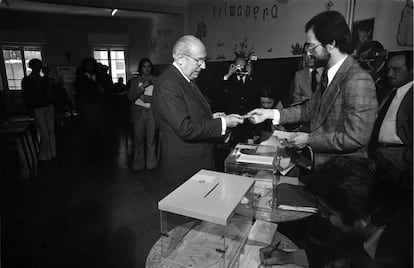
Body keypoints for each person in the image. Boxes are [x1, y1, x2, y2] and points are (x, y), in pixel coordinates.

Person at [248, 11, 377, 167]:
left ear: (332, 44)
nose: (308, 52)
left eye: (312, 46)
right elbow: (309, 110)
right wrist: (269, 113)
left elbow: (356, 138)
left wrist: (309, 139)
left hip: (345, 171)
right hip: (325, 167)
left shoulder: (357, 79)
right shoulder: (328, 75)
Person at [260, 157, 412, 268]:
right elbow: (337, 250)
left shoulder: (398, 256)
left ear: (361, 219)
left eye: (328, 212)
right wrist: (289, 256)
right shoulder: (368, 229)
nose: (323, 216)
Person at [153, 35, 243, 185]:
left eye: (204, 60)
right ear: (180, 58)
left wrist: (212, 117)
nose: (203, 66)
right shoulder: (169, 84)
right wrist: (222, 123)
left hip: (197, 159)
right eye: (199, 60)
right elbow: (185, 128)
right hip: (185, 166)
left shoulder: (185, 79)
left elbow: (187, 113)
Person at [369, 51, 412, 198]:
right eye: (388, 69)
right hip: (379, 156)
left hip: (400, 158)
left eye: (396, 69)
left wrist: (406, 160)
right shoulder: (390, 92)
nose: (390, 73)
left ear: (411, 70)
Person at [21, 59, 56, 161]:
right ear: (31, 67)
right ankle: (44, 156)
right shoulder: (27, 80)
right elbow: (26, 96)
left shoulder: (45, 79)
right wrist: (29, 109)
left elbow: (50, 91)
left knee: (51, 130)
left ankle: (53, 153)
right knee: (44, 132)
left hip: (48, 106)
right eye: (36, 66)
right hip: (37, 107)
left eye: (39, 66)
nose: (38, 68)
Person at [127, 58, 158, 171]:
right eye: (144, 66)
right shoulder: (135, 80)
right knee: (138, 140)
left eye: (149, 66)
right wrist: (142, 87)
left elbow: (159, 98)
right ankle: (138, 165)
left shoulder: (155, 80)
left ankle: (151, 165)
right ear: (140, 68)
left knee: (151, 141)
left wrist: (146, 98)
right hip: (138, 113)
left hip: (151, 112)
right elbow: (131, 97)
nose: (147, 69)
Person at [223, 56, 260, 145]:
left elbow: (257, 94)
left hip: (248, 121)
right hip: (233, 120)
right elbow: (219, 93)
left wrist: (250, 75)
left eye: (243, 66)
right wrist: (228, 74)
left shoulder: (252, 80)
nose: (241, 69)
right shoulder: (230, 80)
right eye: (238, 66)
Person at [74, 57, 106, 159]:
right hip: (87, 107)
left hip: (98, 107)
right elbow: (80, 93)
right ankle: (90, 152)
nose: (90, 67)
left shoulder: (98, 77)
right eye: (88, 65)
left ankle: (98, 150)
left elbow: (104, 90)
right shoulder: (80, 78)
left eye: (92, 65)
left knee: (98, 129)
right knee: (89, 130)